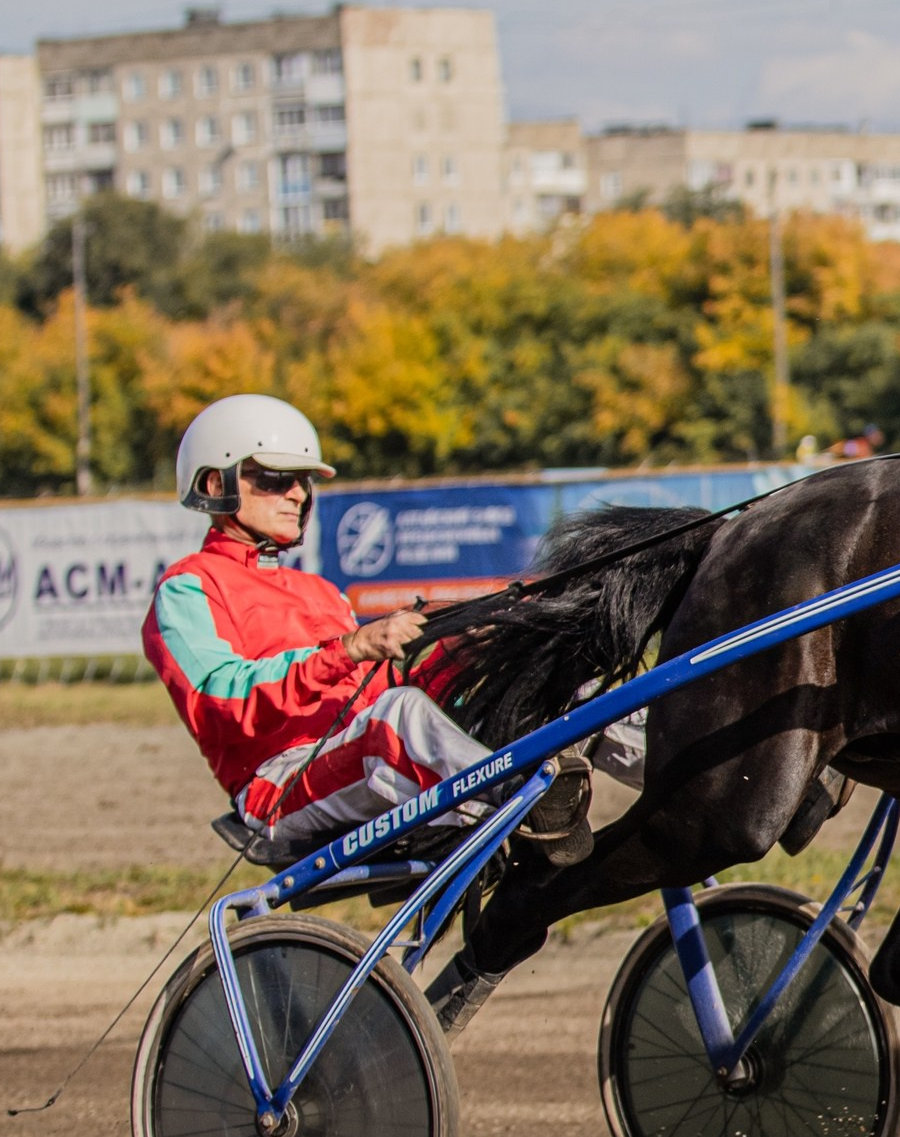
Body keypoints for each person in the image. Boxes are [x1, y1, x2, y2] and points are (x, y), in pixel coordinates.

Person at [141, 394, 589, 1027]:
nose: (296, 493)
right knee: (399, 719)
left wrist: (483, 637)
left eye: (303, 481)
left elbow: (382, 685)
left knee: (543, 682)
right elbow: (224, 695)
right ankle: (536, 800)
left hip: (366, 756)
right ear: (215, 484)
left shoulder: (318, 591)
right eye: (273, 478)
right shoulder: (188, 590)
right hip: (282, 785)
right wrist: (348, 648)